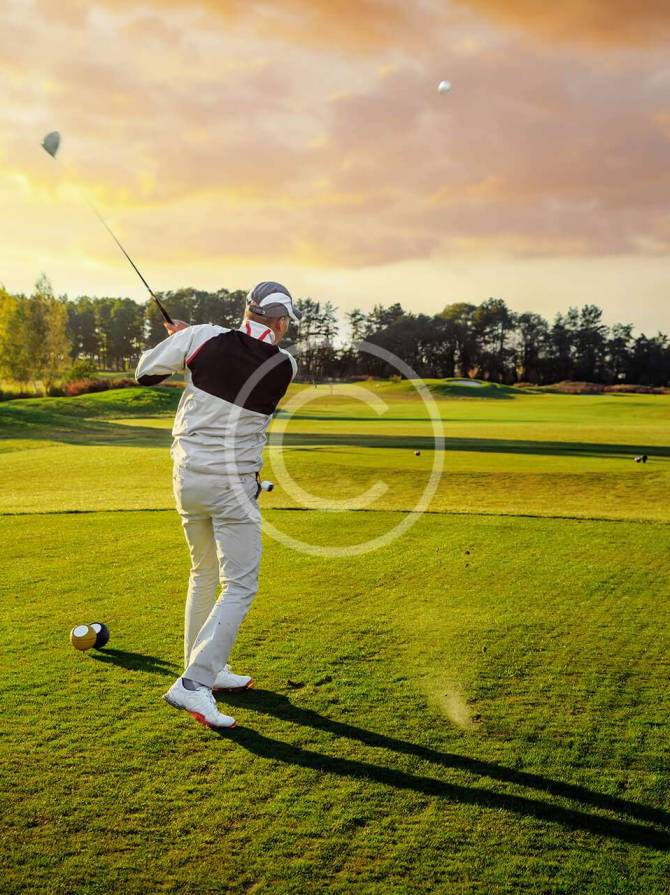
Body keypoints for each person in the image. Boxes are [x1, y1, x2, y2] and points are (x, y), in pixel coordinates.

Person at [135, 282, 301, 729]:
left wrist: (180, 341)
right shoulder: (285, 364)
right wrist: (189, 341)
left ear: (246, 309)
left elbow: (145, 373)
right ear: (281, 322)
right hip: (231, 484)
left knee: (203, 572)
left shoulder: (202, 338)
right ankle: (194, 682)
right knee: (241, 584)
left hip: (186, 477)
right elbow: (239, 359)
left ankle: (206, 666)